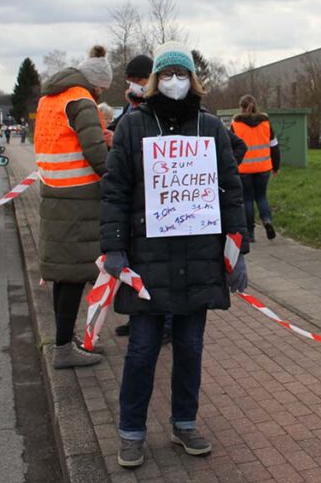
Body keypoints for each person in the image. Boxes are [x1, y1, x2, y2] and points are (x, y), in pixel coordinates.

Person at [100, 41, 248, 468]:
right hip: (148, 259)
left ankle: (185, 423)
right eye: (166, 74)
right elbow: (115, 192)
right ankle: (131, 432)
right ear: (154, 81)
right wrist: (113, 246)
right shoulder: (132, 127)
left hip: (198, 257)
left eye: (181, 74)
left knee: (190, 347)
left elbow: (230, 192)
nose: (174, 81)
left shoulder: (211, 128)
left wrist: (238, 250)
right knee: (143, 349)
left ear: (192, 79)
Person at [34, 45, 113, 370]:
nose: (99, 95)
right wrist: (116, 179)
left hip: (55, 193)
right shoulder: (81, 99)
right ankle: (64, 349)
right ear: (96, 84)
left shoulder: (51, 98)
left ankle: (65, 341)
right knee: (72, 277)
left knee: (65, 276)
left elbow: (62, 141)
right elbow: (95, 153)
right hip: (78, 200)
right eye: (102, 90)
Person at [111, 54, 153, 339]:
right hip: (135, 206)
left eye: (138, 80)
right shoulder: (130, 110)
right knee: (135, 264)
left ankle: (161, 325)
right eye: (131, 81)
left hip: (154, 203)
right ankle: (135, 315)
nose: (134, 85)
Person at [230, 95, 281, 241]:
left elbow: (230, 147)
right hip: (263, 167)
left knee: (247, 199)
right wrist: (275, 166)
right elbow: (274, 146)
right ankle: (267, 221)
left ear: (241, 107)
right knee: (261, 196)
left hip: (244, 169)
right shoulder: (265, 123)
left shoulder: (236, 124)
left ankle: (250, 233)